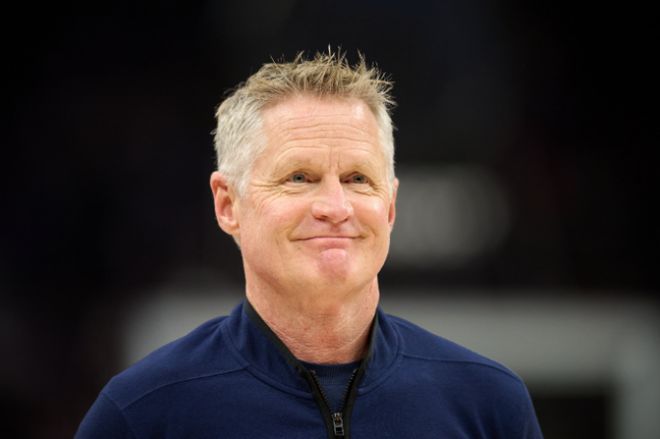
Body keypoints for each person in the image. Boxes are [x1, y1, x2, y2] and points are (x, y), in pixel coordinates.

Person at [76, 50, 543, 438]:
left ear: (390, 206)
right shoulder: (143, 414)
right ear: (228, 204)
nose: (335, 207)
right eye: (299, 177)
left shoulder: (489, 405)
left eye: (358, 179)